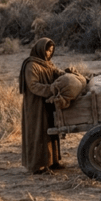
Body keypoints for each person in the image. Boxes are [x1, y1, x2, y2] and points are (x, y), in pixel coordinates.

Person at [19, 38, 66, 174]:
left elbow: (56, 72)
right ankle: (38, 165)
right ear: (40, 49)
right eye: (47, 50)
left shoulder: (47, 64)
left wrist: (67, 74)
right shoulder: (31, 65)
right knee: (38, 132)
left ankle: (52, 162)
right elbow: (33, 86)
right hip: (36, 105)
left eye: (51, 51)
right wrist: (51, 89)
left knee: (50, 130)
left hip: (47, 103)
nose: (49, 54)